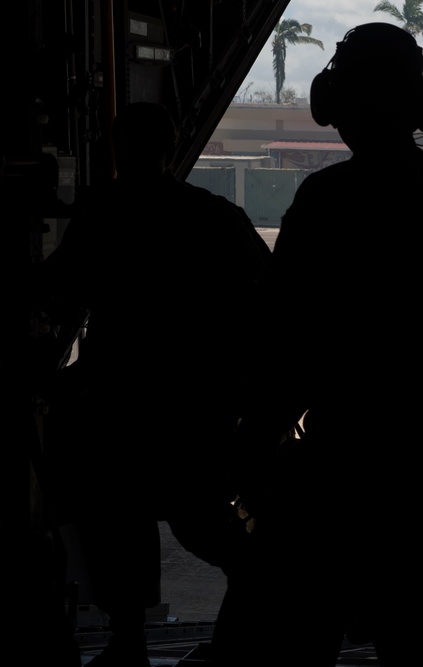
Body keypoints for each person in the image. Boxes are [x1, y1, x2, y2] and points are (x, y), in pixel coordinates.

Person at [220, 24, 423, 666]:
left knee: (271, 642)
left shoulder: (327, 201)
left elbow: (280, 340)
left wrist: (251, 444)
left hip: (340, 470)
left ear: (341, 105)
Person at [35, 102, 271, 666]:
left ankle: (130, 639)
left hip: (121, 398)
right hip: (196, 401)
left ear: (119, 150)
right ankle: (253, 614)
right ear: (171, 150)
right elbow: (269, 296)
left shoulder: (105, 214)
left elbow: (57, 286)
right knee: (199, 520)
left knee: (122, 518)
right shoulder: (213, 215)